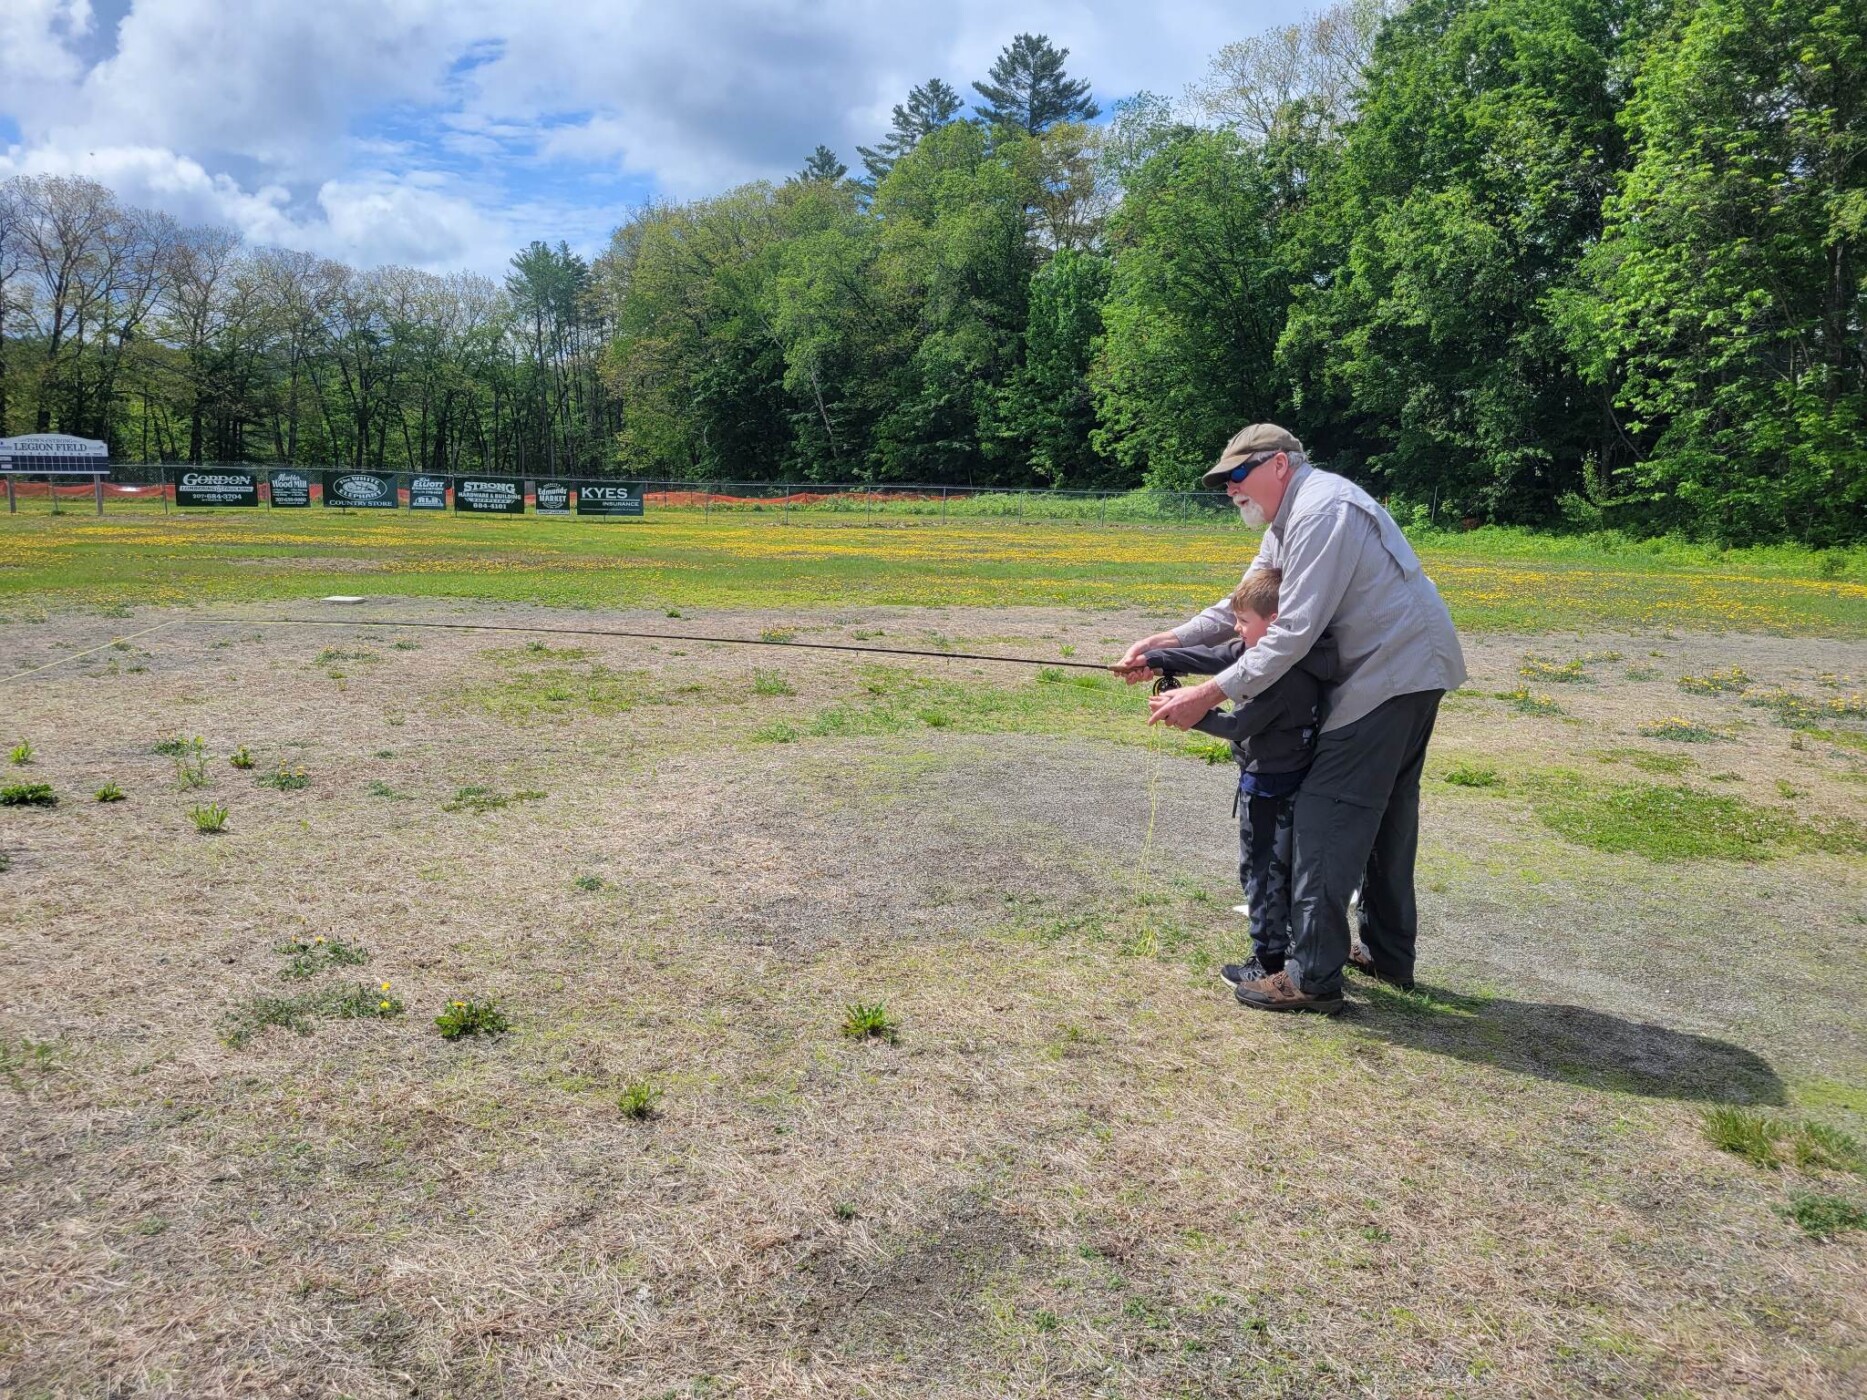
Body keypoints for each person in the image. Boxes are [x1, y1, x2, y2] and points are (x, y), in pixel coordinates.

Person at [1114, 424, 1466, 1014]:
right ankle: (1387, 954)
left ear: (1280, 464)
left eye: (1237, 475)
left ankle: (1312, 977)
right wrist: (1169, 640)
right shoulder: (1292, 517)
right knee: (1383, 822)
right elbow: (1242, 607)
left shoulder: (1322, 510)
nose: (1229, 489)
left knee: (1322, 820)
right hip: (1409, 672)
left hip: (1385, 679)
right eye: (1224, 481)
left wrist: (1208, 694)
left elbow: (1291, 632)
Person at [1138, 566, 1338, 988]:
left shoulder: (1282, 678)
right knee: (1277, 872)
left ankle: (1266, 960)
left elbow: (1235, 726)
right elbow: (1221, 657)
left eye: (1244, 621)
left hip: (1269, 788)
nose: (1236, 627)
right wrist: (1156, 658)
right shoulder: (1281, 654)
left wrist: (1190, 713)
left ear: (1276, 624)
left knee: (1262, 872)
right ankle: (1288, 950)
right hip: (1279, 781)